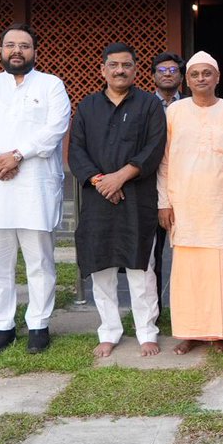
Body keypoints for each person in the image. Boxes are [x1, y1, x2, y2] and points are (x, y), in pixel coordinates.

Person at [0, 23, 71, 355]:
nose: (17, 51)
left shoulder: (51, 84)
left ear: (35, 51)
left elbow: (56, 127)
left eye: (24, 45)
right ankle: (2, 326)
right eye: (10, 45)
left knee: (40, 260)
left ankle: (39, 324)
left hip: (34, 186)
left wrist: (18, 154)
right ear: (1, 50)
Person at [69, 43, 166, 358]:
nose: (120, 70)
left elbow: (154, 147)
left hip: (137, 197)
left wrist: (120, 177)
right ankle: (109, 330)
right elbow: (76, 152)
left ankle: (146, 331)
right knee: (102, 268)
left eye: (126, 65)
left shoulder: (149, 106)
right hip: (98, 200)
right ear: (103, 70)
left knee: (141, 267)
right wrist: (101, 181)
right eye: (114, 65)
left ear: (136, 71)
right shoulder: (87, 107)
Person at [157, 51, 223, 354]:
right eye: (195, 74)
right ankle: (189, 332)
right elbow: (163, 161)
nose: (201, 79)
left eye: (207, 73)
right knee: (186, 272)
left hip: (218, 202)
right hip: (182, 202)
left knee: (217, 270)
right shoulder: (174, 112)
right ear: (186, 80)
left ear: (217, 78)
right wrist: (163, 202)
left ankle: (219, 332)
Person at [149, 52, 185, 304]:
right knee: (153, 254)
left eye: (173, 70)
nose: (168, 75)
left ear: (182, 77)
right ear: (153, 76)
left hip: (187, 187)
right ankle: (155, 311)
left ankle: (188, 309)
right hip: (150, 188)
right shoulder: (142, 105)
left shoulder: (192, 106)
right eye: (162, 70)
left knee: (187, 253)